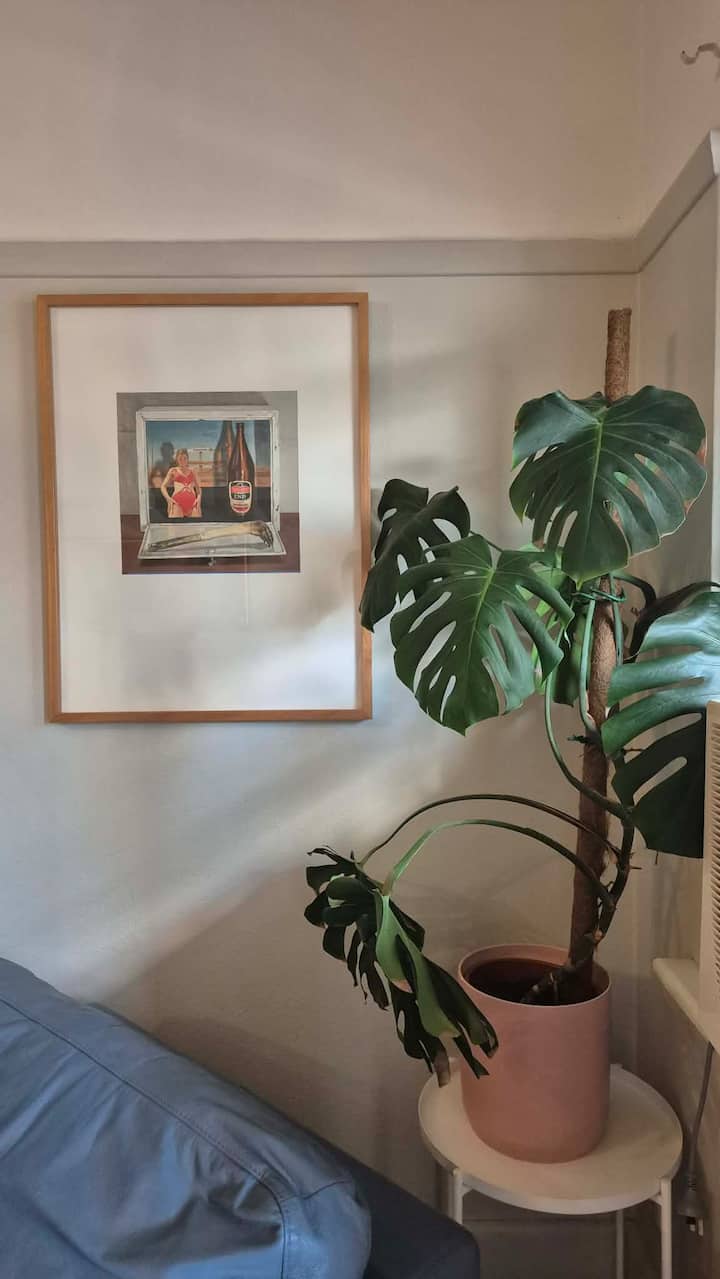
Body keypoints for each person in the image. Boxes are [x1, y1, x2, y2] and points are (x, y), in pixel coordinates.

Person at [160, 449, 202, 518]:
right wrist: (168, 499)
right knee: (175, 524)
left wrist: (199, 499)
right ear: (177, 459)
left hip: (192, 504)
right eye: (180, 459)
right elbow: (163, 486)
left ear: (188, 459)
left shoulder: (193, 471)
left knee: (197, 524)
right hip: (177, 503)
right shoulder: (173, 470)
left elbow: (198, 488)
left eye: (185, 458)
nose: (182, 461)